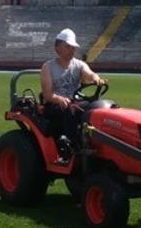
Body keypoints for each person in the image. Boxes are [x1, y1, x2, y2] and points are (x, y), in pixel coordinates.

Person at [40, 28, 105, 164]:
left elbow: (88, 73)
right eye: (68, 46)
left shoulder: (79, 65)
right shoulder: (48, 67)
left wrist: (95, 78)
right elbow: (48, 94)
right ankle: (72, 148)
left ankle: (99, 143)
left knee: (98, 108)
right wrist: (58, 98)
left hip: (74, 101)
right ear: (57, 47)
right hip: (54, 104)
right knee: (70, 109)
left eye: (73, 47)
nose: (72, 50)